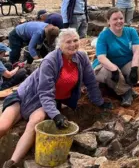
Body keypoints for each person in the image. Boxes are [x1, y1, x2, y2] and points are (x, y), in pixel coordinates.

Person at [0, 29, 113, 168]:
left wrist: (99, 102)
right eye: (68, 42)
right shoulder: (51, 60)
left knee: (36, 121)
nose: (73, 44)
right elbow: (45, 92)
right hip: (26, 95)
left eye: (76, 40)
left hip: (45, 101)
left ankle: (11, 163)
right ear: (60, 45)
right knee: (3, 126)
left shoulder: (82, 57)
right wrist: (56, 115)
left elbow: (90, 82)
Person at [93, 8, 139, 107]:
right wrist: (114, 69)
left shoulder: (131, 31)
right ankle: (126, 93)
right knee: (109, 74)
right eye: (115, 19)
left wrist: (134, 68)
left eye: (121, 18)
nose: (119, 21)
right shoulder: (104, 35)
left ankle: (123, 88)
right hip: (106, 65)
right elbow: (101, 57)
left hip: (125, 63)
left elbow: (137, 51)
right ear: (108, 21)